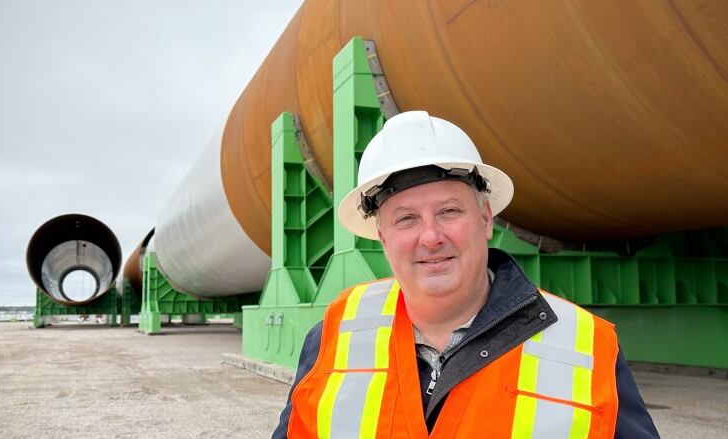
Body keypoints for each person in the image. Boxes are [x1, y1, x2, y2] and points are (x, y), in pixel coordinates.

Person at [273, 111, 659, 438]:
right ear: (383, 239)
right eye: (406, 219)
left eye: (449, 212)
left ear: (486, 219)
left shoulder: (584, 347)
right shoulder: (333, 335)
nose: (431, 237)